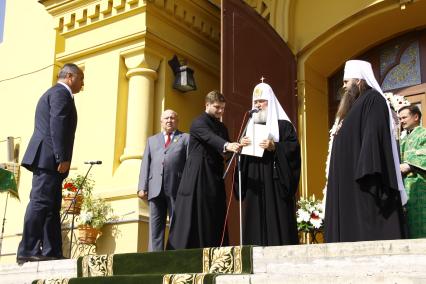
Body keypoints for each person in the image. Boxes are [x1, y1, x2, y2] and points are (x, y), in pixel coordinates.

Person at [324, 60, 407, 242]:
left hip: (362, 179)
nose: (344, 86)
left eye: (347, 81)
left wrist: (368, 170)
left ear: (360, 81)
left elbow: (373, 135)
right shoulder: (354, 106)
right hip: (349, 181)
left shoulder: (373, 99)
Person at [17, 63, 84, 264]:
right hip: (48, 159)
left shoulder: (57, 94)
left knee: (52, 206)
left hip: (48, 158)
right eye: (81, 78)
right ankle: (27, 249)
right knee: (40, 202)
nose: (83, 83)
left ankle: (51, 250)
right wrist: (61, 157)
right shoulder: (60, 94)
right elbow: (58, 124)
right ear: (70, 76)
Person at [167, 90, 241, 249]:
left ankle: (213, 247)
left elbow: (226, 150)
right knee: (197, 209)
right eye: (217, 107)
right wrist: (228, 145)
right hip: (198, 173)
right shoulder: (198, 122)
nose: (221, 111)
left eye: (223, 108)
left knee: (213, 210)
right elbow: (210, 138)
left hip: (214, 174)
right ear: (207, 105)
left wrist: (240, 147)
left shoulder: (222, 126)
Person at [236, 82, 301, 246]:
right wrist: (242, 145)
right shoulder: (250, 126)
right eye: (255, 102)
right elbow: (242, 160)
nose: (258, 105)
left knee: (277, 217)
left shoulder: (283, 125)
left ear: (270, 101)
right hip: (255, 180)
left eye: (261, 101)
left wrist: (275, 147)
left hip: (275, 180)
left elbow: (293, 150)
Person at [137, 109, 189, 251]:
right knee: (155, 225)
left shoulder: (185, 138)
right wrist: (142, 186)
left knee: (176, 223)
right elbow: (145, 164)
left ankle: (174, 253)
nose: (169, 120)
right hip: (155, 188)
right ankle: (155, 257)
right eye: (166, 118)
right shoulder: (152, 140)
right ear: (161, 121)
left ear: (177, 121)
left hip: (176, 187)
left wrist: (188, 186)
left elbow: (189, 164)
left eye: (172, 118)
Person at [398, 105, 426, 238]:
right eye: (400, 118)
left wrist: (409, 164)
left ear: (416, 117)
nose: (401, 121)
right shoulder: (403, 139)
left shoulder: (424, 133)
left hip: (420, 186)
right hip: (404, 187)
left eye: (404, 117)